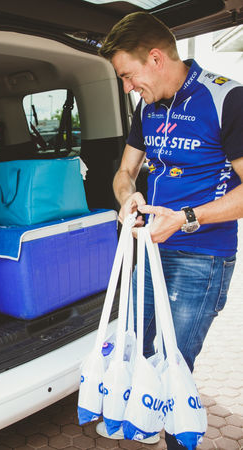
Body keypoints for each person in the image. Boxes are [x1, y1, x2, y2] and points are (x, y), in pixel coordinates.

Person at [96, 11, 243, 450]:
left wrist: (187, 218)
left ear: (156, 58)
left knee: (174, 363)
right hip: (151, 250)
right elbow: (124, 172)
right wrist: (128, 198)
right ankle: (145, 424)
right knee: (137, 347)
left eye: (128, 75)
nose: (127, 87)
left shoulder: (227, 99)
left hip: (203, 257)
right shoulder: (147, 106)